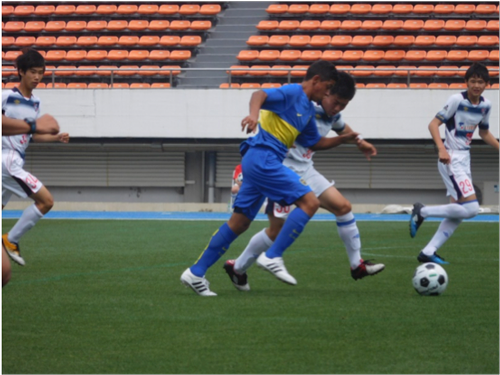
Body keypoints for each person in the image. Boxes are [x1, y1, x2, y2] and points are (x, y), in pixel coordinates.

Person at [181, 60, 361, 296]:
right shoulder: (293, 92)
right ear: (316, 81)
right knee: (310, 202)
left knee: (240, 223)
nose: (328, 93)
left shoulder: (307, 110)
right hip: (263, 157)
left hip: (261, 162)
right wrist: (253, 115)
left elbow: (313, 142)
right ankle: (273, 256)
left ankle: (195, 273)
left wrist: (343, 139)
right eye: (327, 87)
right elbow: (259, 94)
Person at [223, 72, 385, 291]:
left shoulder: (333, 116)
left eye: (343, 105)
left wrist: (360, 142)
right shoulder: (305, 107)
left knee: (343, 207)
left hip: (306, 170)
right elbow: (265, 100)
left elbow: (342, 127)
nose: (337, 108)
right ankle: (238, 267)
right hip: (282, 168)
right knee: (276, 230)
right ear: (325, 92)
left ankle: (357, 265)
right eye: (335, 102)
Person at [409, 63, 499, 265]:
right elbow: (433, 124)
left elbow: (483, 133)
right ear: (466, 82)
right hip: (450, 157)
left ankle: (428, 251)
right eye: (472, 81)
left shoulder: (486, 106)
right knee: (472, 209)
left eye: (480, 82)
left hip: (465, 158)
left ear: (487, 84)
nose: (476, 85)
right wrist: (441, 148)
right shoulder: (456, 100)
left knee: (458, 211)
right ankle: (422, 211)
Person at [2, 49, 69, 273]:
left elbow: (32, 135)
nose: (37, 77)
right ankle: (10, 239)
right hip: (6, 161)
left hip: (14, 163)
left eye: (40, 73)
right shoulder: (6, 96)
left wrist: (55, 137)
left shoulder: (36, 102)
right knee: (46, 201)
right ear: (21, 72)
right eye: (32, 72)